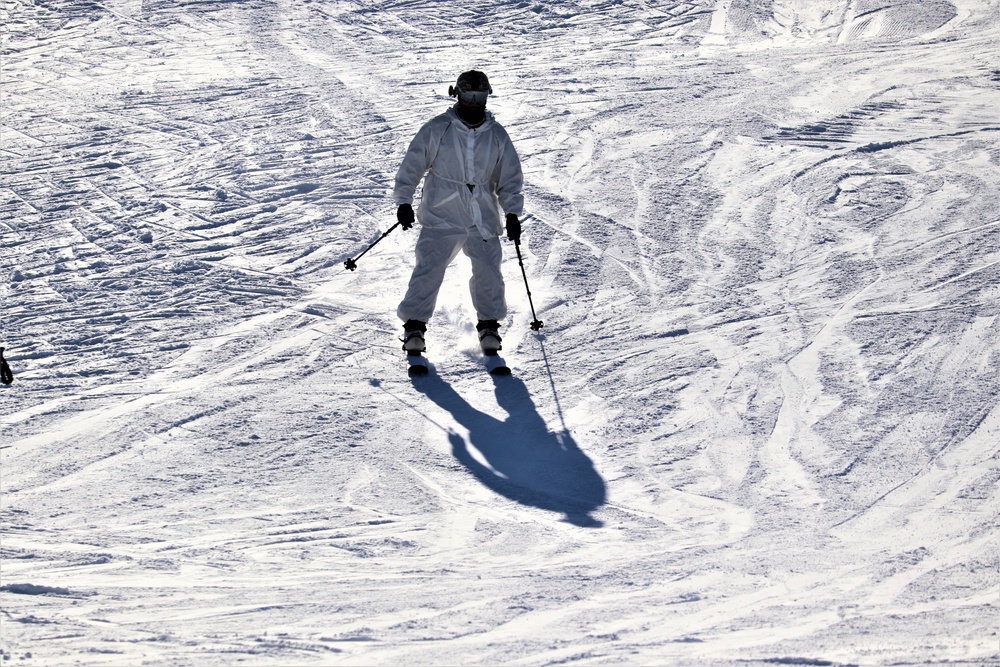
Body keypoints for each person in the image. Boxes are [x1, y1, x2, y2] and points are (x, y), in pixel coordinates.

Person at [393, 70, 524, 355]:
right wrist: (404, 201)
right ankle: (414, 326)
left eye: (481, 96)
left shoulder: (497, 135)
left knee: (489, 270)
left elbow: (509, 179)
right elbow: (413, 164)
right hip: (443, 212)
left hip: (483, 215)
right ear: (458, 95)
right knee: (429, 268)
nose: (475, 103)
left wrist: (512, 213)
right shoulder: (439, 128)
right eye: (469, 96)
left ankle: (488, 326)